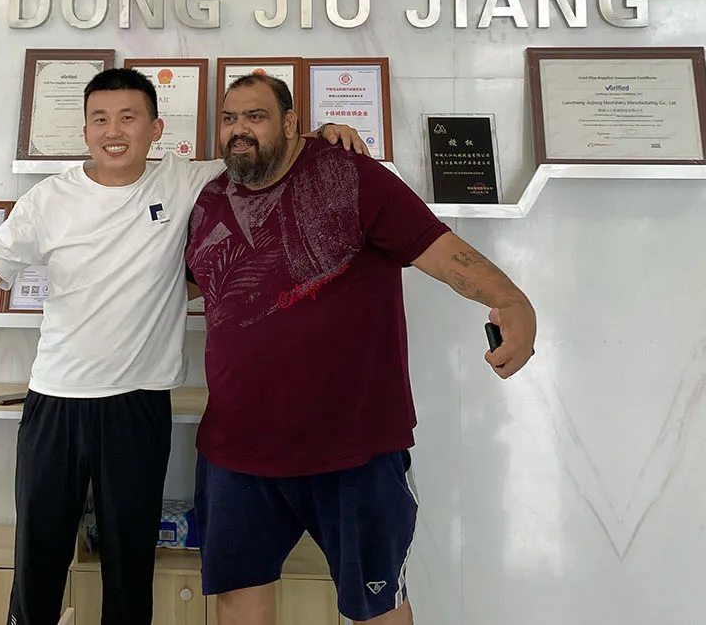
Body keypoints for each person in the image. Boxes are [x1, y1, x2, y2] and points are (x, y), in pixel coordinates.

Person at [0, 67, 367, 625]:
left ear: (156, 129)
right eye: (100, 119)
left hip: (138, 405)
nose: (113, 131)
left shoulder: (184, 181)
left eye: (128, 117)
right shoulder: (48, 200)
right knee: (39, 556)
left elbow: (260, 150)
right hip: (56, 400)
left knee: (129, 562)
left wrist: (324, 134)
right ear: (85, 132)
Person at [184, 73, 538, 625]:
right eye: (230, 119)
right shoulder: (209, 200)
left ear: (290, 123)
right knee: (238, 601)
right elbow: (181, 286)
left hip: (354, 448)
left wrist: (510, 300)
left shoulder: (350, 174)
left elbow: (438, 249)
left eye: (255, 116)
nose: (239, 130)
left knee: (377, 609)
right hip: (236, 449)